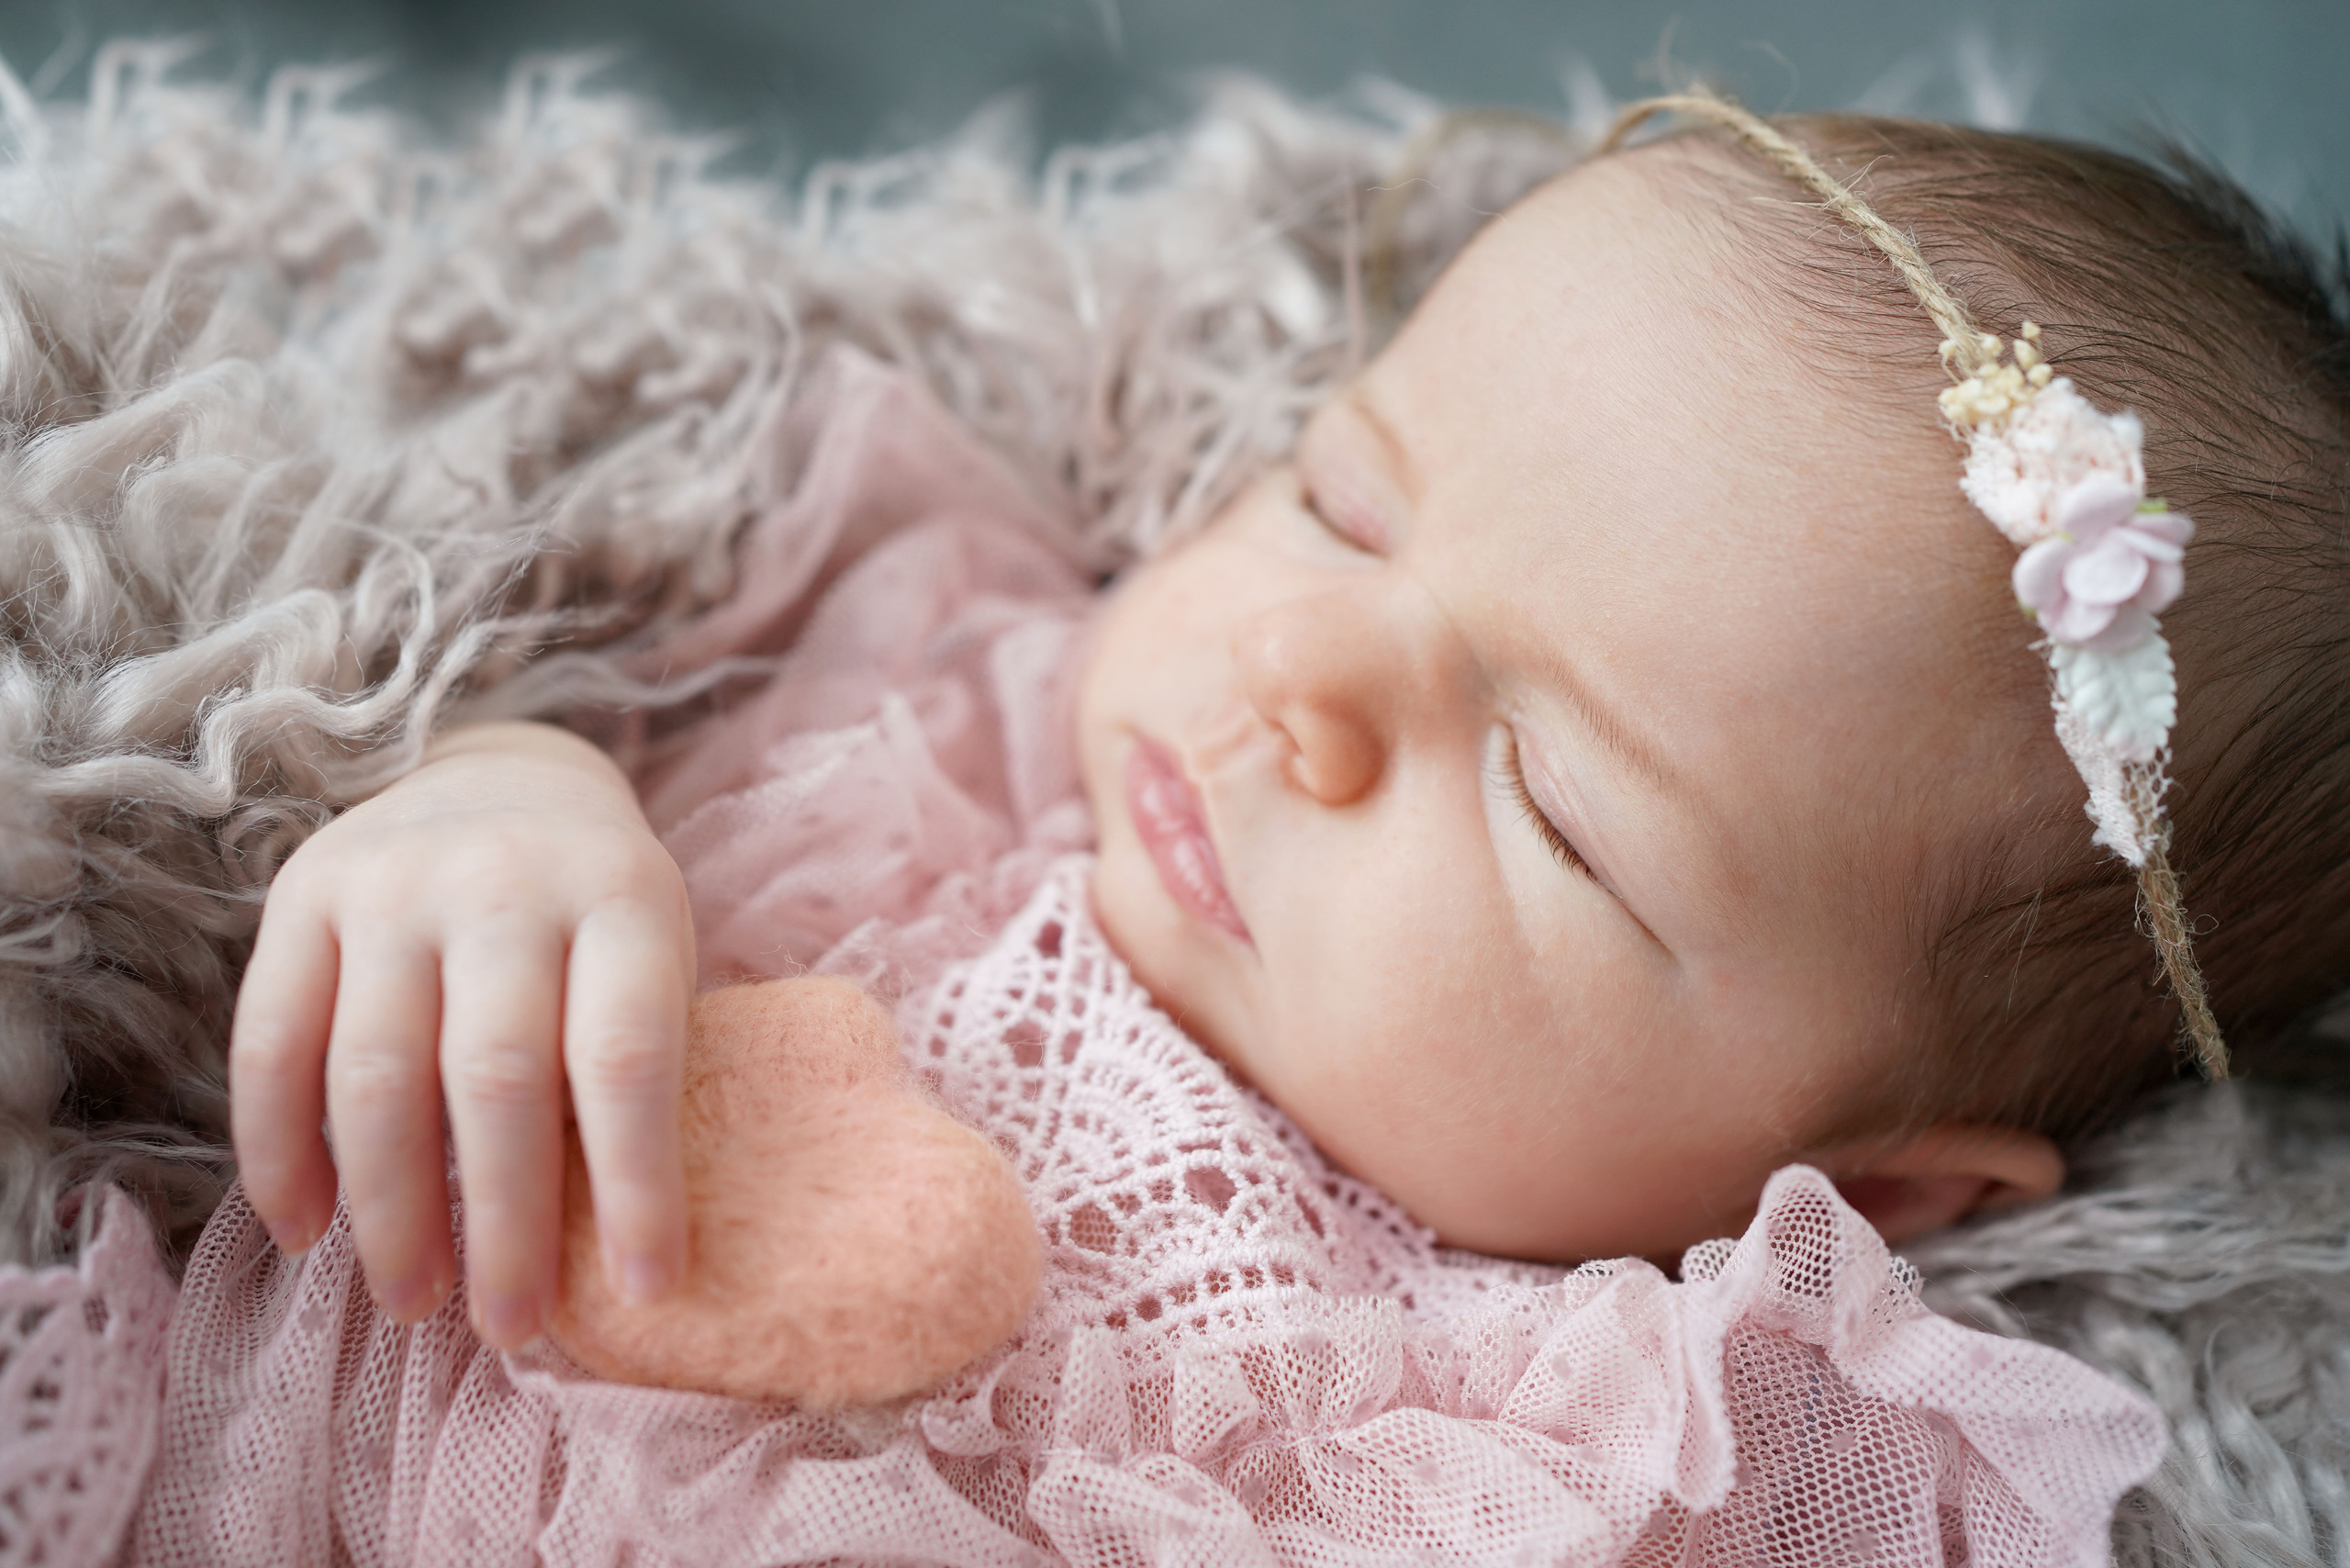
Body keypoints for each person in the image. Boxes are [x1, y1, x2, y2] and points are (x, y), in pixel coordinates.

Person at [226, 95, 2350, 1361]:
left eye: (1550, 802)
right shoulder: (924, 648)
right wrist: (498, 788)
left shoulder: (1583, 1445)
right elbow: (510, 619)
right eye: (1339, 500)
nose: (1297, 673)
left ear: (1870, 1190)